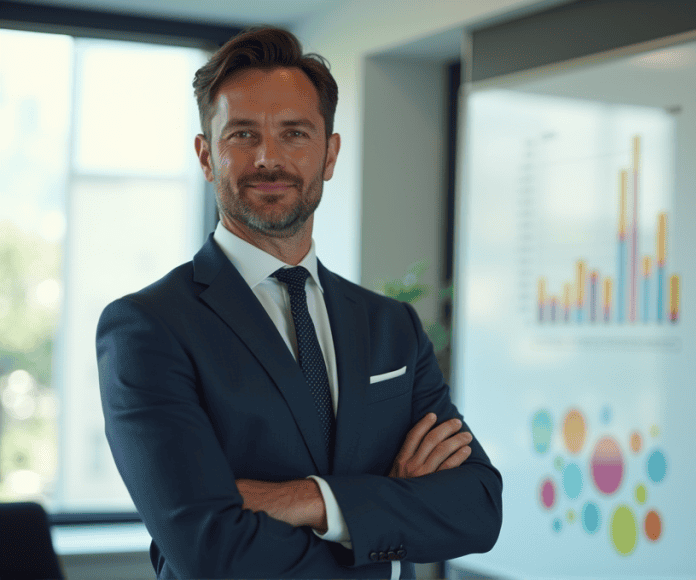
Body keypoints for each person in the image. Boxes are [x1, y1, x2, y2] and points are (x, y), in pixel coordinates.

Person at [96, 26, 501, 579]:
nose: (268, 158)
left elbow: (478, 508)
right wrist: (383, 505)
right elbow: (209, 551)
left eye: (295, 133)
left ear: (330, 154)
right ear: (206, 155)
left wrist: (311, 500)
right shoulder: (148, 328)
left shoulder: (390, 326)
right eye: (242, 134)